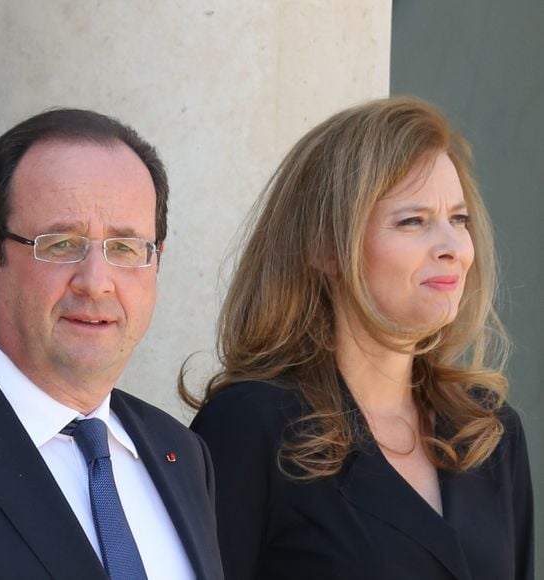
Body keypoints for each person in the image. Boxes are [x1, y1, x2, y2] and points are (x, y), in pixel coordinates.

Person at [183, 97, 534, 579]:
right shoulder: (249, 427)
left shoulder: (489, 432)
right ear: (326, 249)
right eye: (413, 221)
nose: (453, 248)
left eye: (459, 220)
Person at [0, 109, 223, 580]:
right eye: (62, 243)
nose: (96, 283)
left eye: (125, 248)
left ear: (156, 263)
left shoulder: (182, 454)